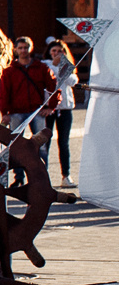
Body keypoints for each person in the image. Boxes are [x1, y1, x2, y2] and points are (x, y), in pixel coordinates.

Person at [45, 38, 78, 186]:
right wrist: (55, 65)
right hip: (48, 109)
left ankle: (66, 175)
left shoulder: (68, 65)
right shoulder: (45, 65)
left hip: (64, 108)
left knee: (63, 143)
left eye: (59, 51)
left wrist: (63, 65)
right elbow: (48, 79)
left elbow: (72, 81)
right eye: (54, 51)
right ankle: (43, 177)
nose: (56, 54)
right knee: (44, 143)